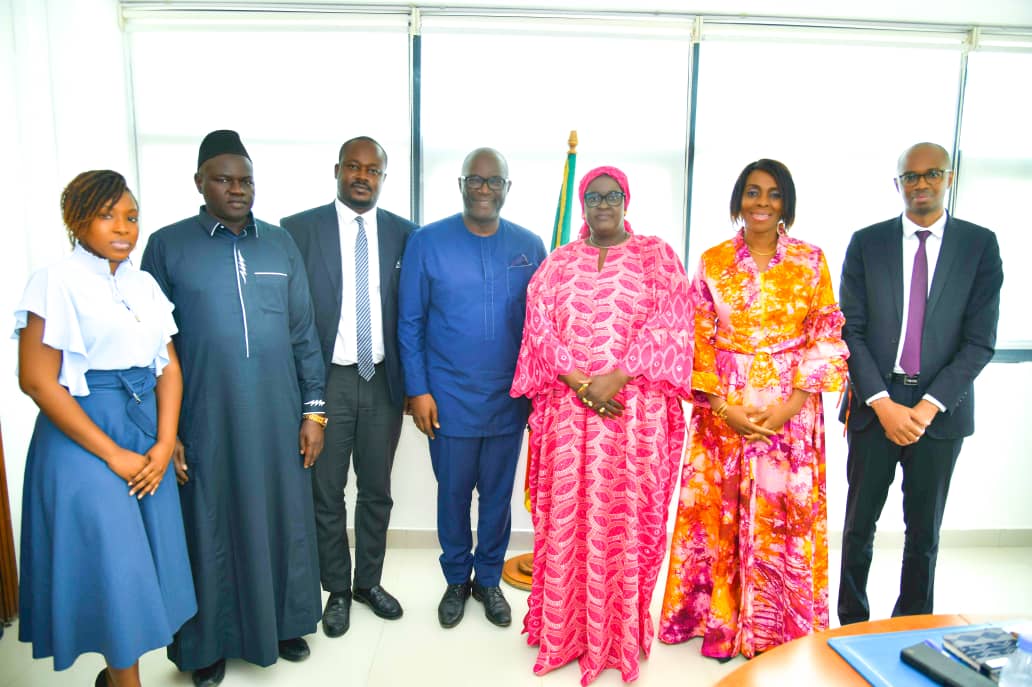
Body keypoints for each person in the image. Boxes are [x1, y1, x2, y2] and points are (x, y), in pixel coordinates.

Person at [141, 130, 326, 687]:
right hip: (205, 418)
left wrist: (313, 412)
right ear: (200, 182)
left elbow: (303, 333)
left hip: (277, 415)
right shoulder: (167, 246)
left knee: (281, 518)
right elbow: (150, 346)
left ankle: (283, 625)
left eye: (246, 180)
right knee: (210, 526)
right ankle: (208, 643)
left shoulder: (279, 243)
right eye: (224, 179)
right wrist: (165, 433)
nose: (237, 189)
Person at [511, 166, 694, 685]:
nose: (603, 204)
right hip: (569, 417)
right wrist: (578, 379)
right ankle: (565, 631)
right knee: (567, 520)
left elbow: (673, 321)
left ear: (627, 200)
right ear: (583, 204)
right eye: (593, 197)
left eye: (613, 195)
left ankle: (618, 635)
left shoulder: (657, 256)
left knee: (626, 520)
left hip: (633, 419)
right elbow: (539, 326)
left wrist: (618, 375)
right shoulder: (558, 263)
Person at [659, 159, 849, 659]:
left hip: (791, 409)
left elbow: (826, 337)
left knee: (781, 516)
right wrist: (723, 407)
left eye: (773, 194)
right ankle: (719, 622)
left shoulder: (811, 260)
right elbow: (696, 337)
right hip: (725, 410)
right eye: (752, 192)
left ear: (786, 202)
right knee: (719, 511)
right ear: (738, 199)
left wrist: (789, 408)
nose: (762, 203)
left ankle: (776, 625)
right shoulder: (714, 260)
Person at [15, 170, 196, 687]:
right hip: (83, 436)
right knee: (114, 566)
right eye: (108, 214)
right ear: (77, 219)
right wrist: (113, 455)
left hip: (145, 431)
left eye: (132, 216)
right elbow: (37, 381)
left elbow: (171, 368)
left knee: (140, 569)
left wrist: (164, 443)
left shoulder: (143, 284)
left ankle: (118, 679)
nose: (124, 227)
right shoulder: (54, 280)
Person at [837, 142, 1003, 625]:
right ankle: (850, 624)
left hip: (940, 411)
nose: (922, 184)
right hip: (874, 402)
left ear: (949, 179)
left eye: (932, 174)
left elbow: (979, 341)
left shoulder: (979, 245)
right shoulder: (867, 243)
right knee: (857, 527)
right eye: (911, 177)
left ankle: (910, 626)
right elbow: (852, 329)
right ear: (898, 185)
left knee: (923, 532)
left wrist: (927, 407)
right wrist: (883, 403)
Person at [398, 147, 546, 629]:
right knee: (453, 495)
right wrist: (418, 389)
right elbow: (410, 322)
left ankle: (488, 580)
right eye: (475, 181)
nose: (484, 189)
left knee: (498, 496)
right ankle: (456, 579)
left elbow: (544, 325)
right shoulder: (427, 242)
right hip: (448, 399)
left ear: (507, 188)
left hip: (510, 398)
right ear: (461, 185)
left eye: (494, 181)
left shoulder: (530, 245)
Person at [281, 136, 415, 637]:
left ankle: (369, 583)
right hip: (328, 379)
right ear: (337, 170)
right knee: (326, 490)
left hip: (382, 380)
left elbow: (414, 312)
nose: (363, 176)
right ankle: (336, 588)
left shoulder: (405, 234)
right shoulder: (297, 230)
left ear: (383, 176)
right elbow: (293, 318)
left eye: (373, 169)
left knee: (377, 489)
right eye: (354, 167)